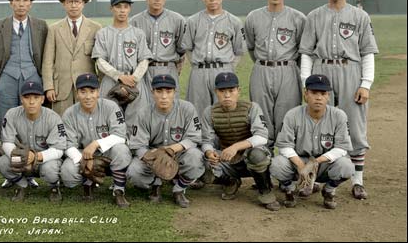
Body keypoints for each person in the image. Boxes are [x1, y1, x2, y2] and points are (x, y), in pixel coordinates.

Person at [299, 0, 379, 200]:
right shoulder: (314, 16)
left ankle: (357, 180)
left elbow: (367, 52)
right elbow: (306, 52)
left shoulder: (360, 16)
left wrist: (366, 84)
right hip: (321, 70)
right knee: (321, 123)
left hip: (350, 70)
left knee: (354, 125)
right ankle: (317, 176)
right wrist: (306, 83)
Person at [270, 74, 354, 209]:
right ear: (306, 94)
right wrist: (300, 166)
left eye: (323, 93)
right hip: (298, 161)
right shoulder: (292, 114)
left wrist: (315, 163)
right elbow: (285, 145)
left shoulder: (339, 116)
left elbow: (341, 148)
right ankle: (289, 190)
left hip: (325, 163)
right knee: (277, 164)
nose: (318, 97)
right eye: (314, 92)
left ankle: (329, 190)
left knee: (346, 166)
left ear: (328, 96)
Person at [201, 72, 280, 211]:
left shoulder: (251, 107)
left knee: (257, 155)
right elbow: (206, 140)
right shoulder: (210, 112)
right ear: (216, 92)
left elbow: (262, 136)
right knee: (199, 163)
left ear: (238, 91)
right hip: (227, 158)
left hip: (249, 156)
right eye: (222, 91)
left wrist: (236, 147)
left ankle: (265, 190)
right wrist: (209, 153)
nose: (227, 95)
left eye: (231, 91)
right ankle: (230, 181)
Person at [244, 0, 306, 148]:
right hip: (261, 69)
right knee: (261, 118)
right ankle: (264, 163)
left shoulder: (298, 18)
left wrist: (293, 69)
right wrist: (262, 63)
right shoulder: (253, 17)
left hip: (288, 69)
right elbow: (250, 46)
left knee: (287, 117)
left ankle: (287, 164)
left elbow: (303, 50)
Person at [127, 74, 204, 208]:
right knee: (134, 172)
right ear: (152, 93)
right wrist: (154, 157)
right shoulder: (143, 113)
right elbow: (138, 145)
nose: (164, 96)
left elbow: (194, 138)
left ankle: (179, 188)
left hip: (179, 152)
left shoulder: (187, 108)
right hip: (152, 154)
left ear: (175, 92)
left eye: (168, 91)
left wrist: (171, 149)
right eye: (159, 91)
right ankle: (156, 184)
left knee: (196, 158)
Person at [60, 73, 132, 208]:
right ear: (77, 93)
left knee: (121, 150)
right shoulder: (69, 114)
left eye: (92, 91)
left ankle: (118, 189)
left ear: (98, 92)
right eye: (83, 92)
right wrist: (82, 160)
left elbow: (120, 135)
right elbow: (68, 144)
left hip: (107, 151)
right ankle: (88, 182)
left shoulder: (111, 107)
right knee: (68, 174)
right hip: (82, 153)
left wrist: (96, 143)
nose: (88, 96)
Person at [181, 0, 246, 116]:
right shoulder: (193, 20)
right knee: (197, 112)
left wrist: (228, 67)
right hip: (199, 71)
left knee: (224, 112)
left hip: (223, 70)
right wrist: (195, 64)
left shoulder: (234, 21)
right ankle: (199, 138)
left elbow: (239, 51)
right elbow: (188, 48)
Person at [0, 0, 48, 122]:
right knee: (5, 118)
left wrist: (42, 78)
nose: (21, 4)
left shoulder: (41, 26)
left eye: (25, 0)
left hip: (32, 76)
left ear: (30, 4)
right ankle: (6, 143)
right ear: (11, 3)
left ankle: (30, 143)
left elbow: (47, 56)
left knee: (32, 116)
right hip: (6, 78)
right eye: (17, 0)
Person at [0, 81, 66, 202]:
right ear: (21, 99)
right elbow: (6, 142)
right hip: (22, 158)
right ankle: (21, 185)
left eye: (36, 97)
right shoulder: (12, 114)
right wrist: (21, 156)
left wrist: (35, 157)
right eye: (27, 97)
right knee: (4, 162)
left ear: (42, 99)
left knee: (51, 169)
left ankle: (54, 186)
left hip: (43, 160)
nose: (31, 102)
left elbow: (59, 149)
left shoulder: (53, 117)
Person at [92, 0, 152, 128]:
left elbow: (144, 60)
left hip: (134, 81)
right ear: (111, 8)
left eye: (125, 6)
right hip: (110, 80)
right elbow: (99, 60)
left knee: (136, 119)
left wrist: (134, 78)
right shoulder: (103, 33)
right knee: (109, 118)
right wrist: (119, 76)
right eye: (118, 6)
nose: (122, 10)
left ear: (130, 8)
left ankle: (135, 148)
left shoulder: (138, 33)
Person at [42, 0, 101, 116]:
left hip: (88, 89)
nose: (73, 5)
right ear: (64, 4)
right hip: (61, 89)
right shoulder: (54, 29)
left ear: (83, 4)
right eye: (70, 1)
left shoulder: (95, 28)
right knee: (62, 124)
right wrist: (49, 86)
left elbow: (101, 61)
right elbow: (47, 61)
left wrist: (99, 86)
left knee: (87, 123)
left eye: (77, 1)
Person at [129, 0, 186, 96]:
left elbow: (181, 50)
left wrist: (175, 69)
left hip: (168, 68)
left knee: (171, 107)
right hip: (143, 71)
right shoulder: (134, 21)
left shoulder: (177, 20)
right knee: (143, 108)